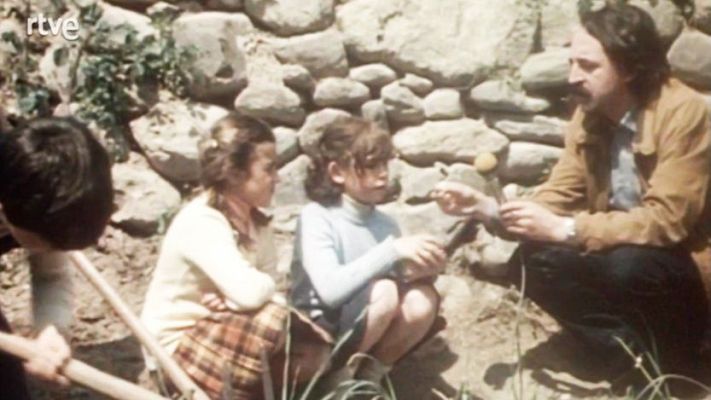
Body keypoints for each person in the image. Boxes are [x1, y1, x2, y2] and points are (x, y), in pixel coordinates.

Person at [434, 4, 711, 375]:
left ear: (629, 67)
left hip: (683, 264)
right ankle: (632, 360)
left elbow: (667, 222)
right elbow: (558, 196)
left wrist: (568, 229)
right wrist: (489, 209)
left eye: (588, 66)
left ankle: (684, 356)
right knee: (533, 261)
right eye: (571, 63)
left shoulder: (684, 112)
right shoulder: (589, 115)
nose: (573, 77)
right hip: (625, 254)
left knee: (626, 264)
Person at [140, 113, 327, 399]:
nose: (277, 178)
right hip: (177, 349)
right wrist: (243, 298)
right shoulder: (202, 220)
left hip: (228, 335)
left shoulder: (258, 225)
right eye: (268, 169)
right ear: (236, 173)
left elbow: (266, 291)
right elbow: (254, 294)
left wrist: (233, 303)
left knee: (315, 352)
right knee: (270, 319)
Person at [290, 117, 444, 384]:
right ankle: (336, 381)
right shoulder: (318, 216)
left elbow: (392, 279)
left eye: (384, 164)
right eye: (371, 166)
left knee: (422, 298)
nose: (383, 174)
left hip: (367, 325)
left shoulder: (385, 224)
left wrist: (422, 270)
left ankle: (370, 378)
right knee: (383, 291)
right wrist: (392, 251)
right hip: (318, 329)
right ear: (337, 172)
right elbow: (330, 291)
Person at [0, 116, 113, 398]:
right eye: (44, 245)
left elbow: (51, 273)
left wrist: (51, 331)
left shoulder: (30, 176)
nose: (49, 253)